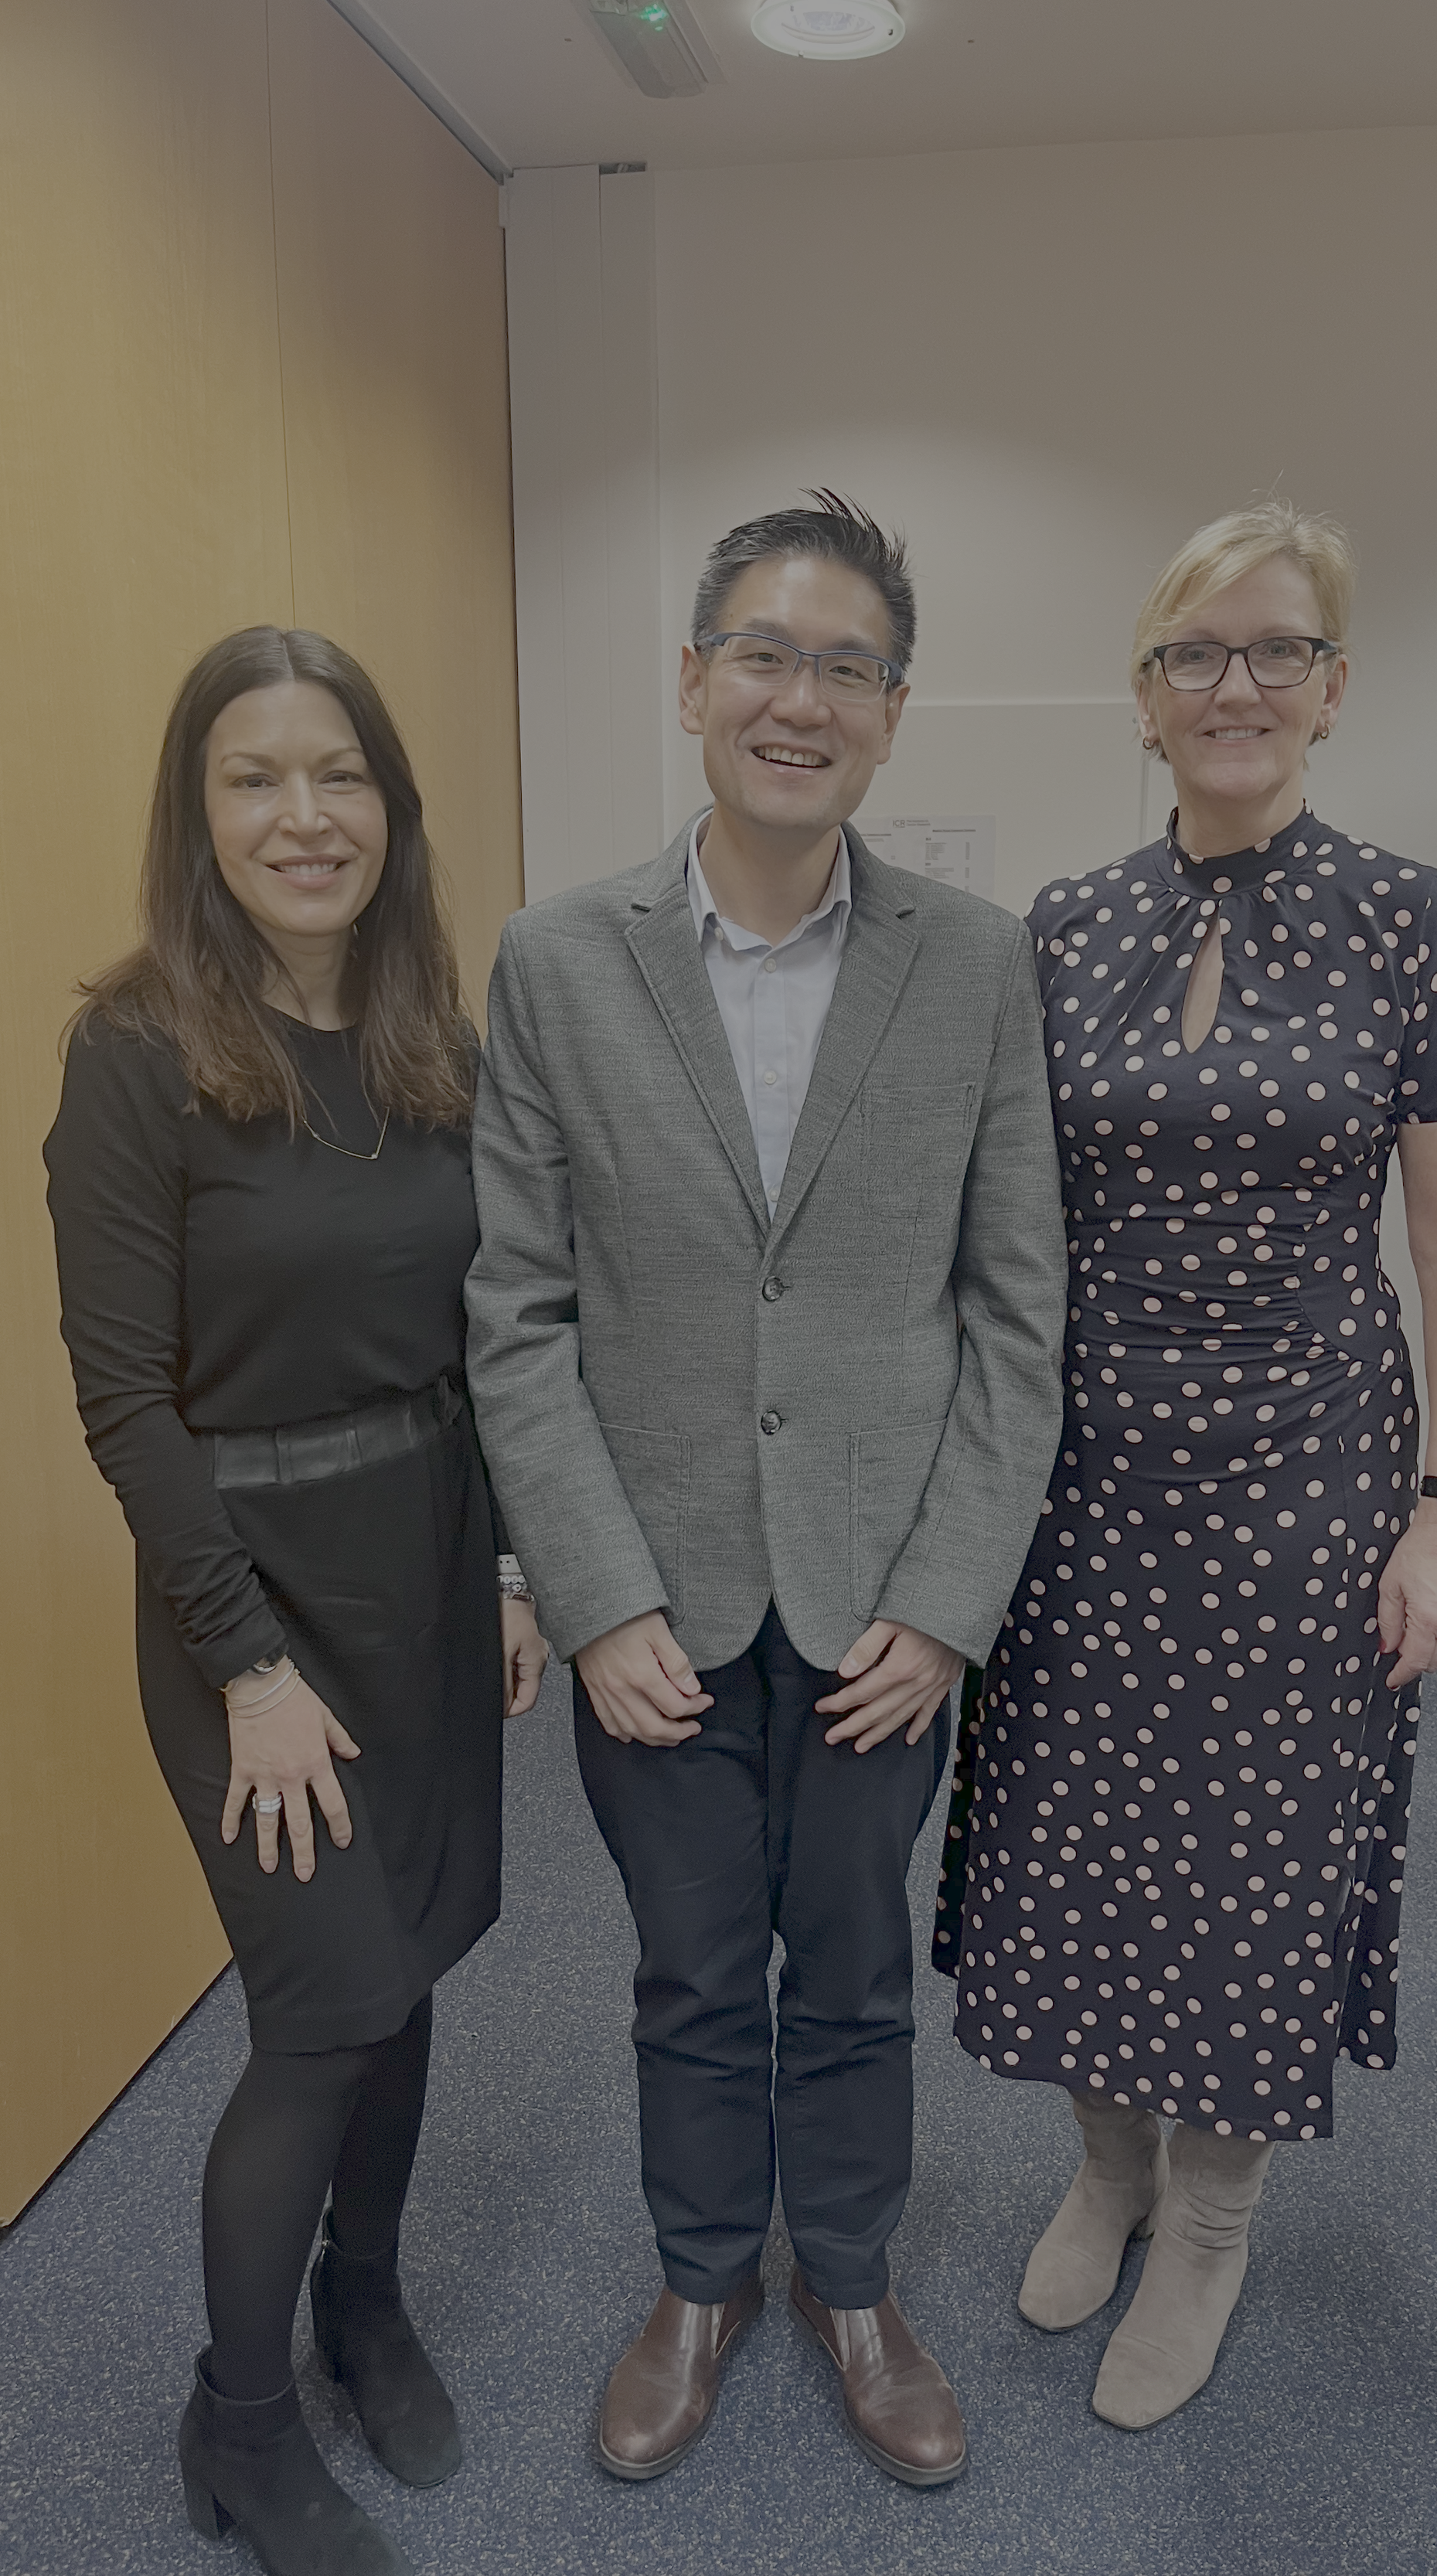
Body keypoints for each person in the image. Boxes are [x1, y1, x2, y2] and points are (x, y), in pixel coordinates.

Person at [465, 495, 1066, 2487]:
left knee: (859, 1966)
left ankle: (858, 2279)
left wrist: (948, 1597)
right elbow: (521, 1312)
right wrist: (596, 1590)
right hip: (656, 1598)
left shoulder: (977, 965)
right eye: (761, 654)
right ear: (693, 678)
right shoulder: (556, 963)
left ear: (889, 714)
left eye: (842, 667)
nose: (794, 699)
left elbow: (1012, 1314)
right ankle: (701, 2277)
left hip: (885, 1604)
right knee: (689, 1969)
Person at [936, 499, 1437, 2428]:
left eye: (1275, 652)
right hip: (1085, 1483)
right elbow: (1008, 1226)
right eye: (1196, 654)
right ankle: (1106, 2164)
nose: (1234, 685)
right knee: (1078, 1841)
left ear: (1333, 690)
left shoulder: (1403, 919)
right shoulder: (1068, 925)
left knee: (1247, 1864)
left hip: (1302, 1480)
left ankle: (1205, 2222)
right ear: (1143, 695)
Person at [45, 626, 546, 2576]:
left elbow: (488, 1332)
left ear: (390, 808)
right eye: (253, 779)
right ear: (198, 814)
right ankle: (239, 2425)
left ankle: (366, 2299)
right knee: (322, 2006)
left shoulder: (431, 1036)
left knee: (405, 1964)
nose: (302, 815)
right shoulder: (133, 1053)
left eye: (336, 774)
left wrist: (501, 1562)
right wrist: (243, 1660)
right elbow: (120, 1399)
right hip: (248, 1601)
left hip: (422, 1560)